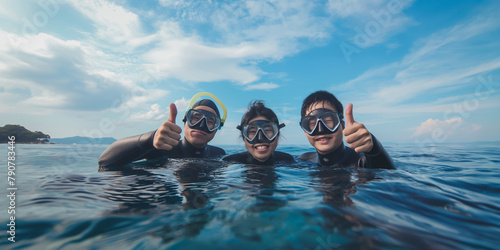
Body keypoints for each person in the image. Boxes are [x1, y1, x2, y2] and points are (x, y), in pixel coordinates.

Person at [98, 92, 227, 170]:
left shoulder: (218, 154)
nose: (201, 125)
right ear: (185, 121)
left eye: (211, 121)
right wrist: (150, 139)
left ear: (216, 129)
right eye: (196, 117)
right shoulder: (161, 149)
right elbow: (105, 163)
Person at [299, 90, 395, 169]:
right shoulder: (305, 160)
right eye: (312, 123)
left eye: (328, 120)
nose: (320, 130)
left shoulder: (361, 162)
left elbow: (388, 174)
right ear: (305, 131)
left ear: (342, 125)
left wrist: (374, 149)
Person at [223, 101, 294, 165]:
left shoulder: (288, 161)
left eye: (267, 130)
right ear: (244, 137)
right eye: (253, 131)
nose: (260, 138)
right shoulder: (229, 163)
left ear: (277, 135)